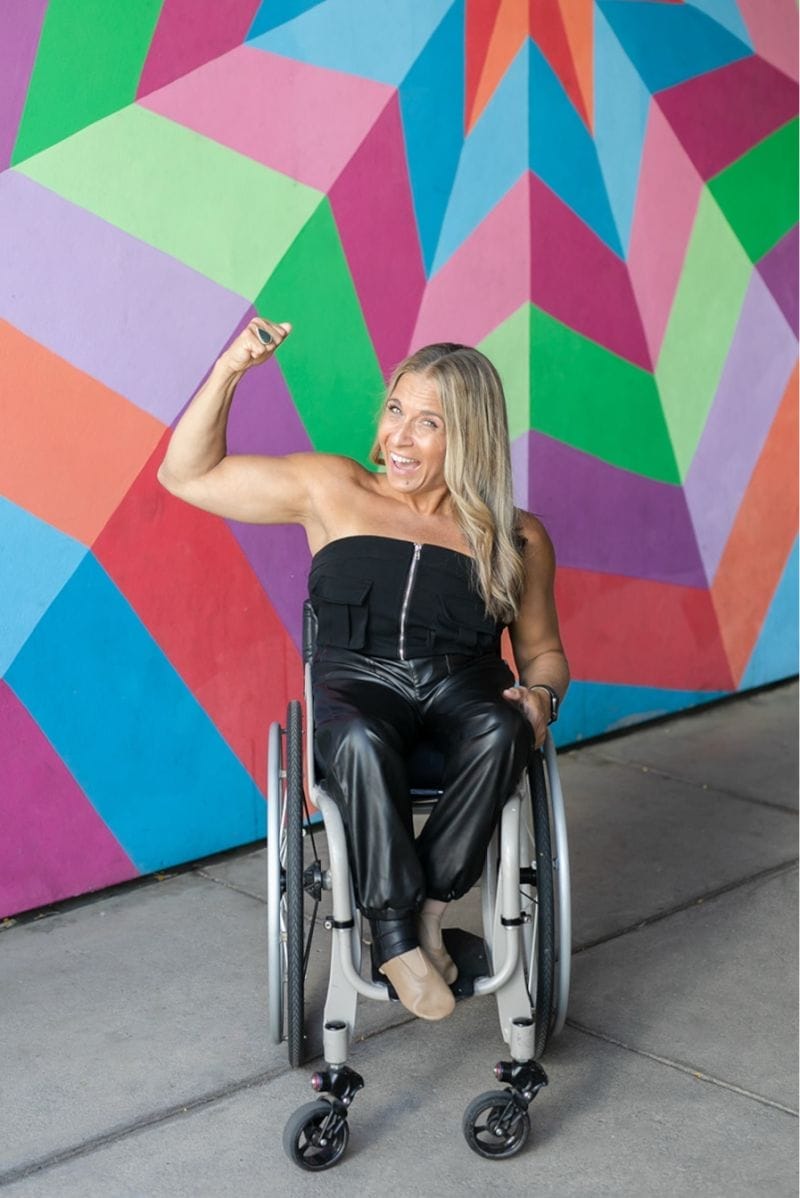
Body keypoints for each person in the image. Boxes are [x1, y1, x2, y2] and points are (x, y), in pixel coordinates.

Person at [158, 318, 569, 1022]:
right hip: (357, 684)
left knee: (505, 729)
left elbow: (543, 655)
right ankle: (395, 938)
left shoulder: (517, 536)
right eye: (394, 411)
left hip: (459, 684)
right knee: (357, 740)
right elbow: (186, 474)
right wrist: (230, 368)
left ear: (469, 435)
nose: (399, 439)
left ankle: (428, 914)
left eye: (428, 423)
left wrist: (541, 697)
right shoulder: (332, 488)